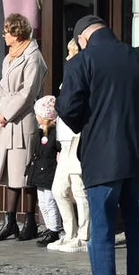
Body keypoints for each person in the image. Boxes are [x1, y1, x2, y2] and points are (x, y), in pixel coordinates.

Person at [57, 15, 139, 275]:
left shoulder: (82, 61)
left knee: (103, 232)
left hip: (102, 158)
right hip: (138, 156)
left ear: (82, 38)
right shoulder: (138, 58)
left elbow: (68, 109)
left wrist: (86, 122)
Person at [0, 13, 47, 242]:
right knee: (10, 173)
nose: (3, 35)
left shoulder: (33, 57)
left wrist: (7, 113)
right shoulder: (9, 57)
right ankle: (9, 220)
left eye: (6, 31)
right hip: (6, 122)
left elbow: (28, 92)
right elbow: (1, 87)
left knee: (25, 173)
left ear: (16, 33)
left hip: (22, 122)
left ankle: (30, 221)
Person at [49, 39, 90, 253]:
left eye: (71, 52)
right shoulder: (69, 77)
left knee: (78, 188)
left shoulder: (83, 75)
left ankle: (84, 236)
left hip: (76, 137)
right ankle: (70, 232)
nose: (67, 57)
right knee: (59, 189)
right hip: (64, 140)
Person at [26, 95, 63, 247]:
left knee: (50, 201)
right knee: (42, 203)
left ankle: (54, 229)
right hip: (39, 172)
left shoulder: (54, 134)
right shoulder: (40, 132)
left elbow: (56, 151)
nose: (36, 117)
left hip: (49, 172)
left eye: (38, 115)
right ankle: (49, 227)